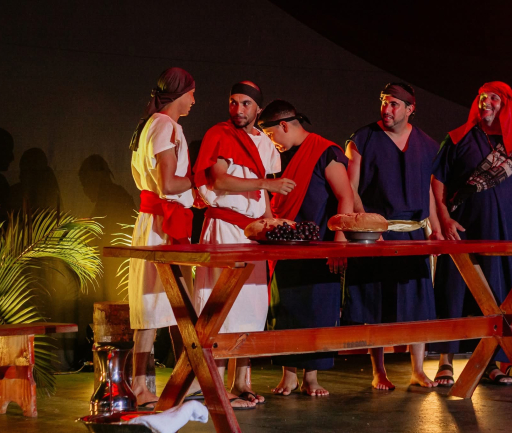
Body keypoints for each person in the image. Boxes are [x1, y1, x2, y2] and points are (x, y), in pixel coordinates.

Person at [431, 81, 512, 386]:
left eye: (493, 98)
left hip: (504, 236)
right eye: (482, 97)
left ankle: (491, 362)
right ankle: (445, 362)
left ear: (506, 104)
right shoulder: (458, 138)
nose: (486, 102)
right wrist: (445, 219)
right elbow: (438, 181)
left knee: (499, 297)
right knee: (453, 294)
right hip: (462, 233)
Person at [193, 82, 295, 409]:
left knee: (251, 307)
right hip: (224, 228)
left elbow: (263, 196)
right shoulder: (219, 134)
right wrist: (266, 183)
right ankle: (214, 386)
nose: (238, 109)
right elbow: (219, 180)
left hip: (252, 232)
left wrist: (271, 223)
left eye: (246, 103)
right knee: (221, 307)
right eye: (233, 102)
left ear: (258, 109)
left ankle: (241, 384)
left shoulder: (264, 142)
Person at [343, 82, 443, 389]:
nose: (386, 109)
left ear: (410, 109)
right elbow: (350, 188)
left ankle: (418, 370)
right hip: (377, 234)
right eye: (384, 102)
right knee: (377, 303)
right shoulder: (363, 139)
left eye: (394, 104)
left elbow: (428, 192)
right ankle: (379, 371)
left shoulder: (427, 145)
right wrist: (369, 227)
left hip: (413, 234)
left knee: (417, 303)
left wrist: (437, 230)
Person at [258, 100, 354, 396]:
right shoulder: (277, 158)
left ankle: (311, 377)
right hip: (285, 244)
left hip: (320, 244)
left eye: (272, 135)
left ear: (284, 125)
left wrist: (339, 243)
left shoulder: (325, 151)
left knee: (317, 310)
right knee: (284, 308)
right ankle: (288, 375)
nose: (272, 142)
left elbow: (345, 196)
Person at [127, 67, 196, 406]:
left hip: (162, 222)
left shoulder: (154, 124)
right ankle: (141, 386)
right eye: (192, 94)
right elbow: (168, 184)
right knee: (155, 304)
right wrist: (202, 180)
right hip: (160, 225)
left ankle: (186, 379)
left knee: (176, 305)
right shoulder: (164, 125)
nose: (194, 101)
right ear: (180, 94)